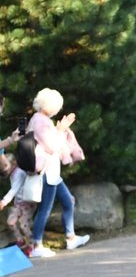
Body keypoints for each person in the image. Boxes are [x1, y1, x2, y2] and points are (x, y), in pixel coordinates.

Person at [26, 88, 90, 258]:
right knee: (45, 209)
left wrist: (60, 129)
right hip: (47, 171)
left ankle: (71, 237)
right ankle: (36, 245)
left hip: (53, 172)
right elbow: (51, 146)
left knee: (68, 201)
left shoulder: (41, 119)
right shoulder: (40, 121)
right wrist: (61, 130)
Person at [2, 153, 39, 256]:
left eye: (5, 165)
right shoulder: (12, 174)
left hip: (27, 203)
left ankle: (33, 245)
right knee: (11, 222)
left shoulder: (19, 173)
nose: (3, 169)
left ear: (14, 163)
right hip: (18, 204)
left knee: (24, 225)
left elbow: (15, 189)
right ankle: (20, 240)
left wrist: (4, 201)